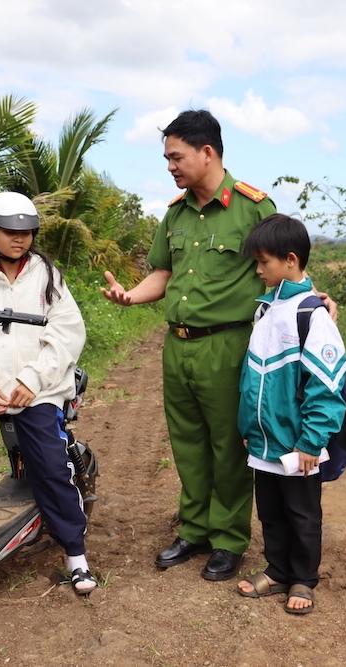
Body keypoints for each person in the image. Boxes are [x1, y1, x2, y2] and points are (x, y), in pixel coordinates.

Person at [101, 109, 278, 581]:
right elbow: (163, 273)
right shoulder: (175, 214)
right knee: (188, 443)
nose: (170, 167)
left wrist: (315, 299)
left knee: (228, 445)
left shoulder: (253, 207)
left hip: (229, 345)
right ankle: (194, 528)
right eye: (166, 158)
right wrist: (129, 296)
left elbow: (282, 268)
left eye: (176, 157)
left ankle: (228, 538)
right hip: (177, 348)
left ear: (207, 152)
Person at [0, 191, 97, 595]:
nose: (20, 239)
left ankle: (75, 555)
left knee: (49, 464)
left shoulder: (49, 278)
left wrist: (31, 380)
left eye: (27, 232)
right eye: (10, 231)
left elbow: (67, 334)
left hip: (37, 390)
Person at [234, 213, 346, 614]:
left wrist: (312, 441)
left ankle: (303, 578)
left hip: (299, 444)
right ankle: (277, 569)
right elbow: (253, 377)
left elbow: (326, 386)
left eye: (264, 262)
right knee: (270, 511)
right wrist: (249, 426)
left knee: (302, 514)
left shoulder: (311, 315)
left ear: (291, 260)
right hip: (265, 442)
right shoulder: (265, 311)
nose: (258, 269)